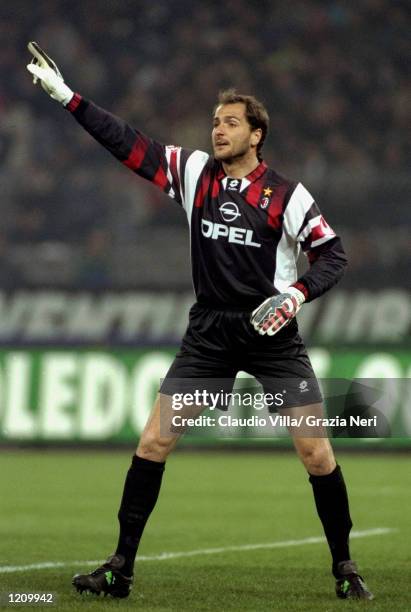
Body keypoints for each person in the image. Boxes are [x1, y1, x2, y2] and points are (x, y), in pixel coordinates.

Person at [26, 42, 373, 602]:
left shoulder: (288, 195)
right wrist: (69, 98)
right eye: (215, 122)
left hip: (272, 336)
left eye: (231, 123)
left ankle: (346, 566)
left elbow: (333, 253)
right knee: (154, 441)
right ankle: (119, 568)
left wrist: (295, 293)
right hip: (210, 334)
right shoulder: (192, 172)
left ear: (256, 135)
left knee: (316, 452)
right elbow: (129, 145)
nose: (218, 131)